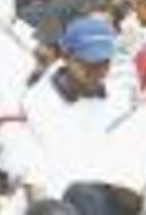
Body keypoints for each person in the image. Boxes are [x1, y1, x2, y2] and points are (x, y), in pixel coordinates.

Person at [20, 16, 121, 200]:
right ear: (66, 57)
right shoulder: (37, 104)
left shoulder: (118, 98)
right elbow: (34, 181)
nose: (98, 72)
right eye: (89, 64)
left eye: (105, 63)